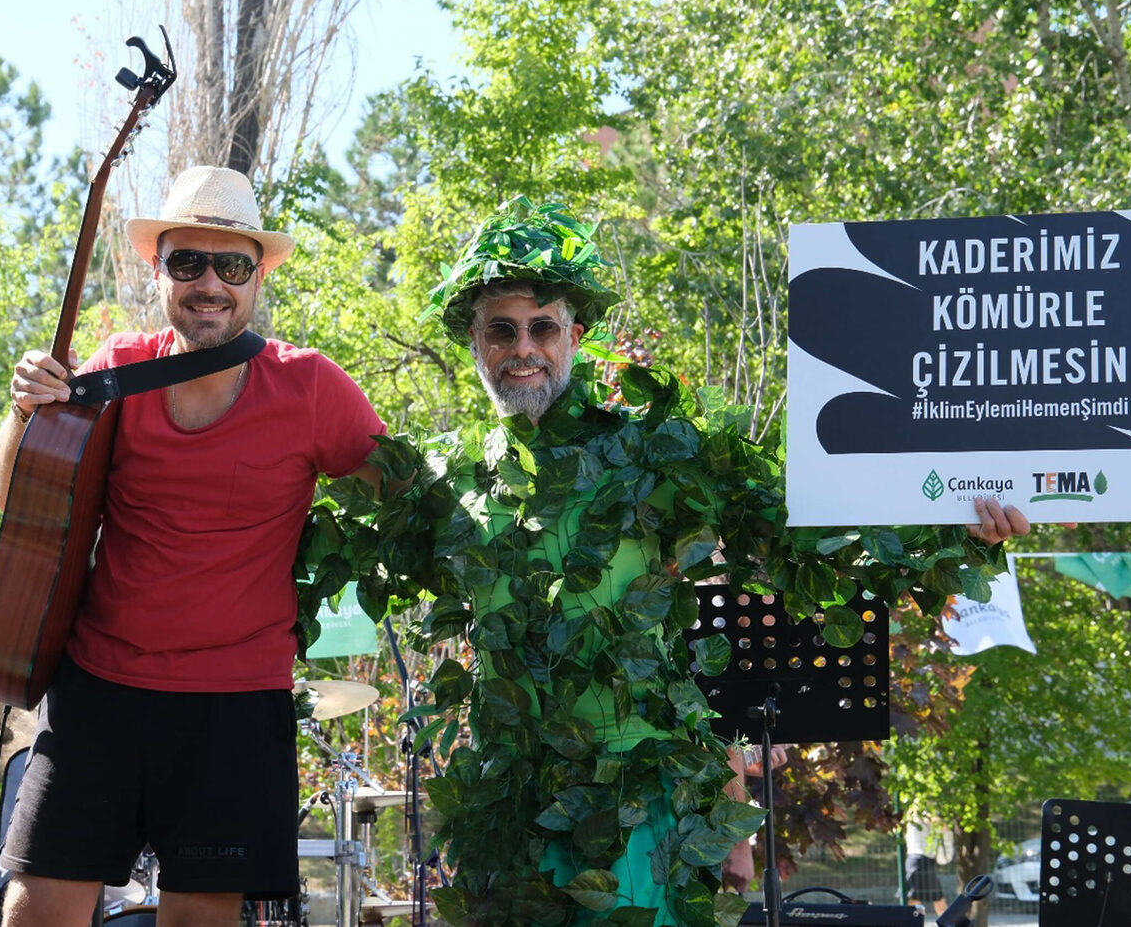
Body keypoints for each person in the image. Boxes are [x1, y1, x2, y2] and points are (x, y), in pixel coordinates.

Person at [315, 195, 1029, 927]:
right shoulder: (451, 481)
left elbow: (804, 534)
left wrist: (957, 534)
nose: (522, 347)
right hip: (511, 812)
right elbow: (319, 509)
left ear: (575, 336)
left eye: (542, 327)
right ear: (475, 342)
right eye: (502, 330)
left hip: (638, 809)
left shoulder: (651, 453)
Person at [0, 166, 389, 927]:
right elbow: (20, 504)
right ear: (158, 268)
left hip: (234, 702)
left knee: (201, 920)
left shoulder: (311, 387)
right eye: (188, 262)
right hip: (99, 687)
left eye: (232, 265)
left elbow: (403, 489)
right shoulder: (115, 368)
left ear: (259, 274)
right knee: (31, 909)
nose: (210, 283)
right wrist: (23, 410)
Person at [905, 817, 954, 916]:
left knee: (924, 900)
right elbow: (944, 828)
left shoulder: (912, 816)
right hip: (920, 860)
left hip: (921, 860)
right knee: (918, 902)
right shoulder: (926, 814)